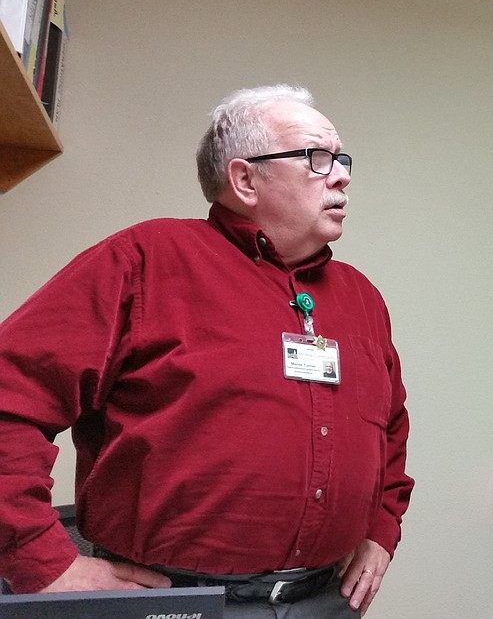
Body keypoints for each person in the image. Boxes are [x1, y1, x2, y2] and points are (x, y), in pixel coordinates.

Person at [0, 85, 414, 617]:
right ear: (245, 179)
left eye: (341, 159)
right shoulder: (146, 260)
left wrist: (381, 528)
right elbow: (10, 396)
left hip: (326, 598)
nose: (341, 174)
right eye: (317, 158)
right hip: (176, 602)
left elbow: (391, 426)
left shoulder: (361, 296)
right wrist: (40, 559)